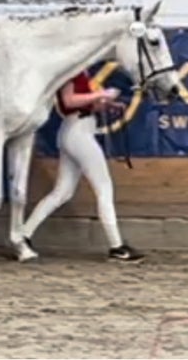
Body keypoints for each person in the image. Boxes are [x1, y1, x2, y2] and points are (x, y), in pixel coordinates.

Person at [21, 69, 145, 262]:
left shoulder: (79, 71)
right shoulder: (72, 70)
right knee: (104, 187)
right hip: (79, 132)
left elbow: (81, 104)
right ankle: (117, 246)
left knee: (62, 193)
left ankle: (23, 234)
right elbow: (69, 101)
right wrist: (101, 94)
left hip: (77, 129)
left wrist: (104, 104)